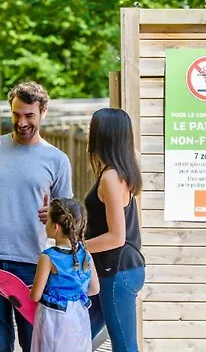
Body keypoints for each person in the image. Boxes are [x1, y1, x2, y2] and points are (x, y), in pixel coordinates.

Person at [0, 81, 73, 352]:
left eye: (29, 115)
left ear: (43, 112)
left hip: (34, 263)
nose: (21, 122)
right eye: (16, 114)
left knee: (32, 342)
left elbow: (69, 219)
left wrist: (53, 215)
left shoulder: (57, 159)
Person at [85, 108, 145, 352]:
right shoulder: (118, 172)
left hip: (117, 270)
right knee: (75, 336)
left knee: (124, 347)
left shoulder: (111, 177)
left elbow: (116, 237)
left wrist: (74, 247)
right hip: (113, 270)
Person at [30, 198, 99, 352]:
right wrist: (73, 295)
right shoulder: (85, 254)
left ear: (55, 227)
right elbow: (95, 289)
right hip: (79, 315)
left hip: (54, 317)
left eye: (48, 220)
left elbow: (35, 296)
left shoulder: (48, 257)